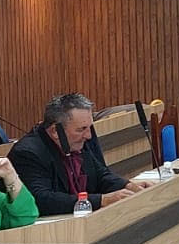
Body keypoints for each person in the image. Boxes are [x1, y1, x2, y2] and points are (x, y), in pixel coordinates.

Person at [9, 92, 153, 216]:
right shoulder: (28, 153)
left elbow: (100, 175)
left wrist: (128, 186)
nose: (89, 136)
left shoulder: (76, 141)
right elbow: (41, 199)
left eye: (90, 127)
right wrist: (102, 200)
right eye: (81, 129)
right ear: (55, 131)